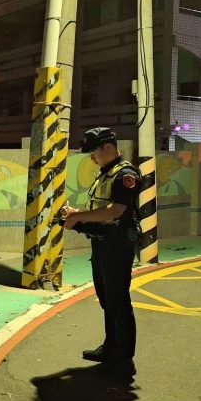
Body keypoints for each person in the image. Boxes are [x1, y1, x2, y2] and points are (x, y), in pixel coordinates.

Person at [60, 127, 141, 376]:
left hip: (117, 245)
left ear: (108, 147)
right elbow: (100, 208)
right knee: (107, 300)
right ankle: (111, 347)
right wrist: (78, 215)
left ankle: (124, 358)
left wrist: (79, 217)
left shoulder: (126, 175)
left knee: (118, 301)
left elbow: (115, 210)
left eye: (94, 152)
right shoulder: (105, 173)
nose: (92, 157)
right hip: (103, 243)